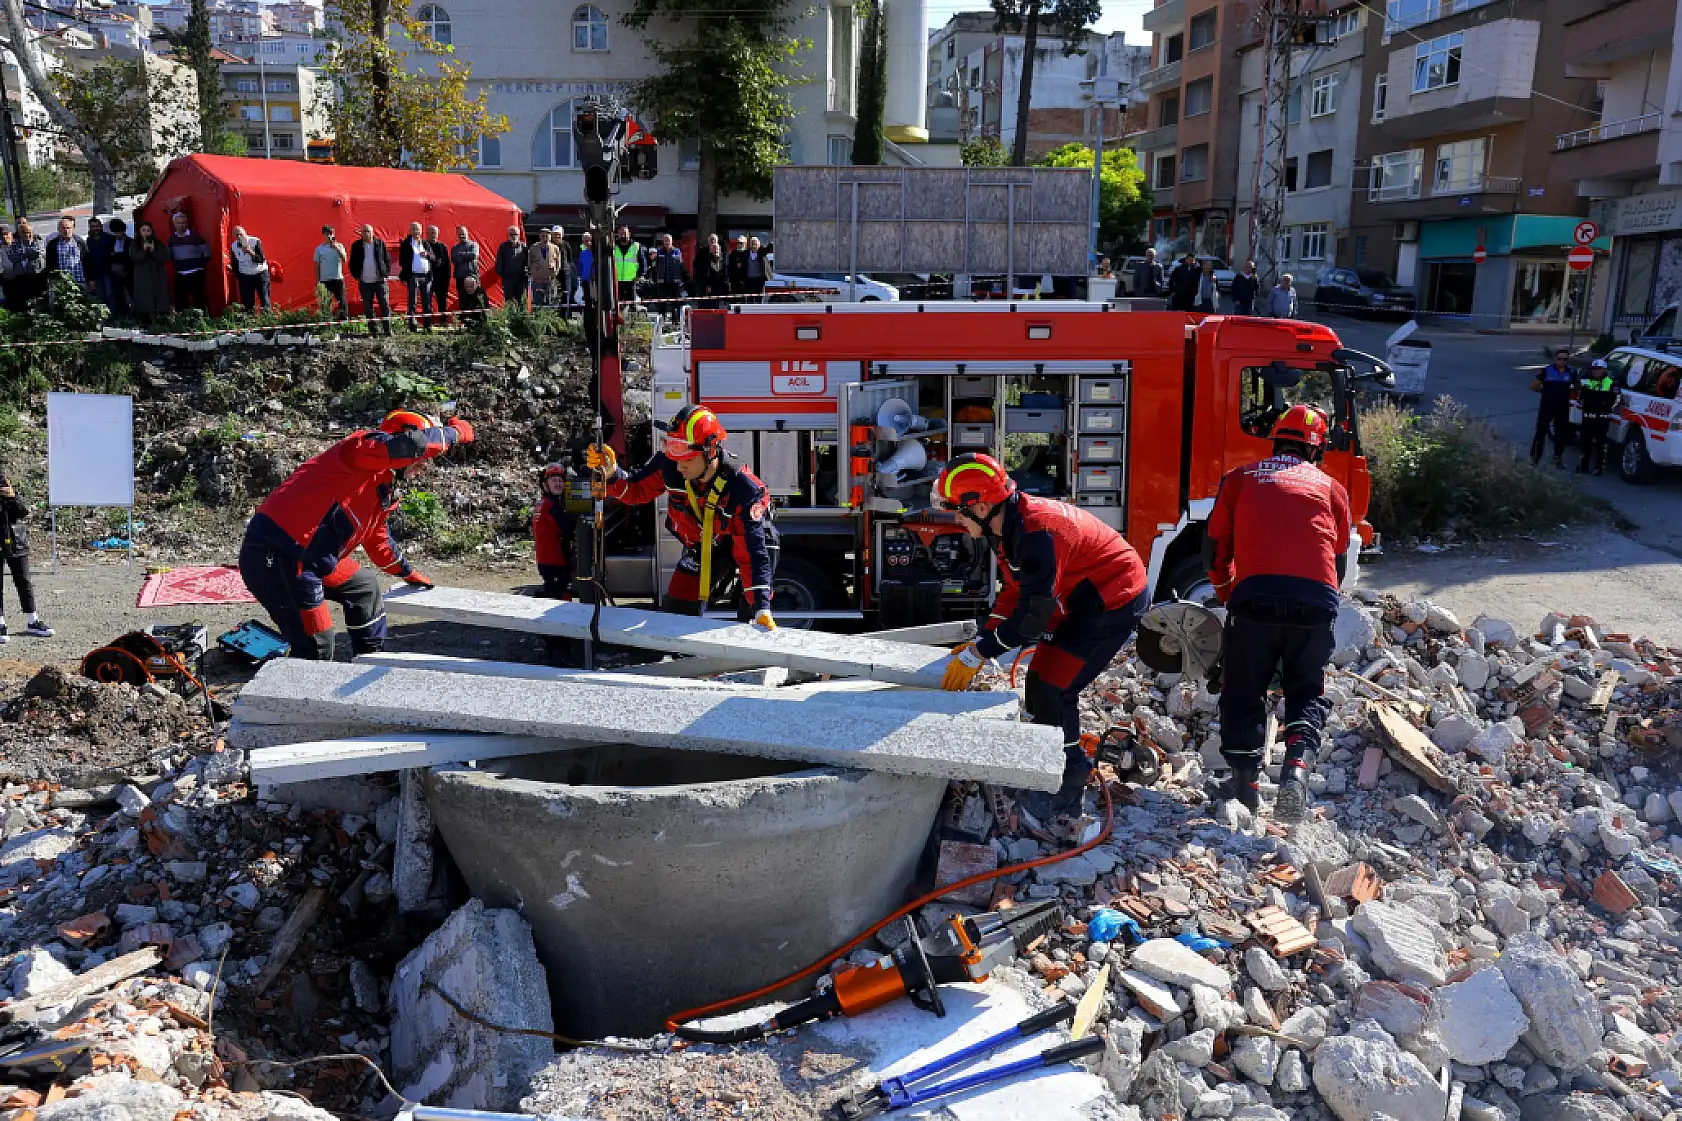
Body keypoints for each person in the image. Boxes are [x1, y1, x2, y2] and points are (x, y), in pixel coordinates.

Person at [932, 453, 1149, 818]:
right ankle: (1051, 764)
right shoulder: (1010, 525)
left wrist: (978, 654)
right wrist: (983, 638)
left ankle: (1069, 783)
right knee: (1039, 684)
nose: (955, 519)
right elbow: (1016, 591)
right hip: (1082, 598)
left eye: (957, 510)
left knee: (1054, 689)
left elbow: (1032, 619)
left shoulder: (1037, 533)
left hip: (1112, 602)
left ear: (981, 506)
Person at [1204, 405, 1350, 823]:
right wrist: (1324, 603)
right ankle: (1296, 770)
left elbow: (1215, 550)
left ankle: (1245, 788)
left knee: (1243, 689)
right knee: (1306, 688)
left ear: (1276, 440)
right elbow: (1335, 558)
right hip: (1316, 601)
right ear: (1316, 449)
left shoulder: (1240, 479)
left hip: (1254, 599)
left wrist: (1229, 593)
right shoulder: (1330, 487)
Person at [239, 409, 473, 660]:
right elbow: (414, 445)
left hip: (312, 557)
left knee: (365, 588)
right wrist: (456, 432)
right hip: (277, 556)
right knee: (318, 646)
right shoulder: (358, 450)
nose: (424, 465)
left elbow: (377, 538)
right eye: (421, 460)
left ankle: (369, 658)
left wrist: (407, 572)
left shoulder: (383, 484)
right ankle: (299, 696)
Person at [586, 404, 778, 626]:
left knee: (752, 616)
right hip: (704, 545)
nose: (679, 467)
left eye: (687, 459)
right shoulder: (670, 464)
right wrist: (611, 473)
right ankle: (681, 657)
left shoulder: (744, 489)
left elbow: (752, 553)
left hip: (745, 542)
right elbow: (636, 489)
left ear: (711, 451)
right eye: (675, 457)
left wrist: (762, 606)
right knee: (675, 614)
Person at [0, 470, 52, 643]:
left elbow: (23, 512)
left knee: (24, 581)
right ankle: (0, 624)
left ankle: (33, 620)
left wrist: (12, 496)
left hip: (16, 541)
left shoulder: (9, 490)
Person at [532, 462, 576, 600]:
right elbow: (566, 529)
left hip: (545, 558)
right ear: (546, 485)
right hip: (555, 560)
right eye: (554, 480)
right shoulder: (550, 506)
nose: (558, 484)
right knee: (560, 597)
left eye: (560, 480)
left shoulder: (541, 503)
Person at [1577, 357, 1619, 476]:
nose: (1595, 371)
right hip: (1588, 417)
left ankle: (1599, 468)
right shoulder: (1588, 381)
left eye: (1598, 369)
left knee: (1600, 444)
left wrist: (1607, 408)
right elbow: (1581, 396)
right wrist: (1582, 403)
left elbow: (1617, 399)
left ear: (1604, 370)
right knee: (1584, 442)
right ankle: (1583, 465)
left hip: (1602, 418)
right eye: (1593, 369)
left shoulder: (1611, 383)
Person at [348, 224, 392, 336]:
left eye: (368, 231)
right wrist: (356, 275)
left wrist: (386, 273)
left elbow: (387, 259)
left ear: (373, 232)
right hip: (364, 282)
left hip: (380, 281)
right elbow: (352, 262)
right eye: (364, 231)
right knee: (368, 307)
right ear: (361, 233)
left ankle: (387, 330)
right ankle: (373, 331)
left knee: (385, 305)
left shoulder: (380, 243)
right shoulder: (356, 245)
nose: (366, 233)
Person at [128, 221, 171, 321]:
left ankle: (160, 317)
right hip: (142, 275)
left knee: (159, 295)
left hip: (157, 274)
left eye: (148, 230)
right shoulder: (135, 243)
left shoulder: (158, 243)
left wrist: (153, 250)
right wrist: (143, 250)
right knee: (145, 296)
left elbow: (164, 257)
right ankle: (145, 318)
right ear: (139, 232)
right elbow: (135, 257)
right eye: (143, 230)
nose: (146, 233)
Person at [168, 211, 211, 310]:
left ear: (186, 223)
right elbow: (171, 256)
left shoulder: (196, 237)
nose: (180, 225)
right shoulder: (172, 239)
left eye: (182, 223)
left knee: (199, 300)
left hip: (196, 273)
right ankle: (184, 322)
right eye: (178, 223)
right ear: (174, 224)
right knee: (181, 301)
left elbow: (207, 253)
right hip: (181, 274)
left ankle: (202, 320)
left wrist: (198, 265)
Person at [398, 221, 435, 330]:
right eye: (414, 229)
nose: (416, 231)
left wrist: (427, 254)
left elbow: (434, 258)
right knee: (412, 301)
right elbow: (401, 261)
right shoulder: (406, 243)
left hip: (426, 276)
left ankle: (427, 325)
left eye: (418, 229)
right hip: (413, 276)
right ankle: (412, 325)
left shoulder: (425, 243)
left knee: (427, 301)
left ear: (421, 231)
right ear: (410, 231)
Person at [43, 216, 89, 297]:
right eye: (63, 228)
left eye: (68, 228)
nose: (66, 230)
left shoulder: (79, 242)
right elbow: (49, 264)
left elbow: (87, 261)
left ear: (73, 228)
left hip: (79, 280)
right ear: (58, 229)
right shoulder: (53, 244)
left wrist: (91, 279)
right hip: (61, 282)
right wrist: (52, 279)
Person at [229, 225, 272, 312]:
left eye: (241, 234)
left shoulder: (255, 241)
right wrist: (240, 276)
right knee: (247, 303)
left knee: (264, 300)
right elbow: (234, 263)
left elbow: (261, 260)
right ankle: (250, 322)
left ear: (245, 233)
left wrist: (250, 252)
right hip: (245, 276)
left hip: (260, 274)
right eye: (236, 235)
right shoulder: (234, 246)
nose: (239, 237)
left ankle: (268, 320)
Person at [315, 225, 349, 319]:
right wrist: (318, 282)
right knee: (325, 303)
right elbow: (317, 266)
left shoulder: (339, 246)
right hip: (325, 280)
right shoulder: (319, 249)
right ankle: (327, 321)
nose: (330, 235)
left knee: (342, 301)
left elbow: (344, 259)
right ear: (324, 235)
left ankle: (344, 321)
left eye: (331, 233)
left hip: (338, 278)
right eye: (327, 233)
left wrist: (336, 248)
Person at [8, 219, 44, 307]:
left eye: (28, 232)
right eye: (24, 233)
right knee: (23, 297)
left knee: (36, 296)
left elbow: (37, 253)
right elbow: (12, 257)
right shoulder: (14, 243)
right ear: (20, 234)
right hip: (20, 275)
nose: (27, 235)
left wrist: (22, 253)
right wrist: (27, 253)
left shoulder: (37, 240)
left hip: (35, 273)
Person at [648, 233, 689, 306]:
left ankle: (675, 316)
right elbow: (655, 267)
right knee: (662, 302)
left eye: (668, 240)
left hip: (674, 281)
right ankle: (662, 316)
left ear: (671, 241)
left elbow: (681, 265)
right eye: (665, 240)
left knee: (675, 302)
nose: (667, 242)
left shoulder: (677, 251)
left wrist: (684, 277)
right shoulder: (659, 251)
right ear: (663, 242)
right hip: (662, 281)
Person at [528, 227, 564, 309]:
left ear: (550, 237)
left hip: (550, 280)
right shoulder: (534, 247)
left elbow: (558, 263)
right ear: (540, 236)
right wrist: (533, 271)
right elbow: (529, 262)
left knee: (551, 302)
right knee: (538, 303)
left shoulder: (555, 248)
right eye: (543, 236)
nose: (545, 238)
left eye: (547, 236)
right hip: (537, 280)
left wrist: (555, 273)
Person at [496, 225, 529, 310]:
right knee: (509, 301)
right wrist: (502, 276)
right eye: (511, 234)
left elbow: (528, 262)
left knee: (521, 300)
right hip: (508, 278)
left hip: (520, 279)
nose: (513, 236)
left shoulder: (524, 247)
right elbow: (499, 262)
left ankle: (520, 319)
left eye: (515, 234)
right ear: (508, 235)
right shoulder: (503, 247)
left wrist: (526, 274)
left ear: (519, 235)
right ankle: (509, 319)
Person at [451, 226, 481, 320]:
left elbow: (474, 255)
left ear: (467, 233)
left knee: (475, 298)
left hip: (472, 276)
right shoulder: (455, 247)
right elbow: (454, 259)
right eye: (459, 234)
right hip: (460, 277)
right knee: (462, 299)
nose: (461, 235)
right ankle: (465, 321)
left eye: (463, 233)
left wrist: (461, 255)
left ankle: (476, 320)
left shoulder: (474, 245)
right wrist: (466, 255)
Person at [103, 219, 131, 317]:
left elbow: (128, 256)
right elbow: (108, 255)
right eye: (116, 232)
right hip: (114, 272)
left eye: (120, 232)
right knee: (116, 294)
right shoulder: (111, 241)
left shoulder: (129, 241)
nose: (118, 234)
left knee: (129, 294)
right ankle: (119, 315)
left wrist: (116, 255)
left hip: (127, 271)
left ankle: (130, 314)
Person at [425, 224, 452, 324]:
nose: (433, 235)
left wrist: (447, 279)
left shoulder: (442, 246)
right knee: (427, 300)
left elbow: (446, 264)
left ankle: (443, 321)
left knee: (442, 301)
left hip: (441, 279)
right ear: (427, 234)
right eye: (431, 233)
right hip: (428, 278)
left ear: (438, 234)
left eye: (435, 233)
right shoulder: (424, 245)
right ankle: (428, 322)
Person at [85, 218, 112, 308]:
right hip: (96, 273)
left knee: (110, 295)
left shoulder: (109, 238)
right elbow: (88, 258)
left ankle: (114, 318)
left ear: (101, 226)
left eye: (97, 226)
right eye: (93, 226)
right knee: (101, 296)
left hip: (109, 272)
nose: (95, 228)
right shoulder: (89, 240)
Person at [610, 226, 641, 304]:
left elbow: (643, 262)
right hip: (617, 280)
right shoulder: (613, 246)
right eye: (620, 234)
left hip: (631, 281)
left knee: (631, 304)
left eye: (624, 233)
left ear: (629, 234)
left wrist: (639, 275)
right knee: (617, 304)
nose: (622, 235)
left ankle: (630, 316)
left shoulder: (636, 246)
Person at [696, 233, 729, 303]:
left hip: (718, 283)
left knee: (716, 303)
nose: (712, 241)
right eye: (711, 240)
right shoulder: (702, 252)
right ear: (708, 241)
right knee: (705, 303)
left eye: (714, 240)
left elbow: (724, 267)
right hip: (704, 283)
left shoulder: (722, 253)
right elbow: (697, 266)